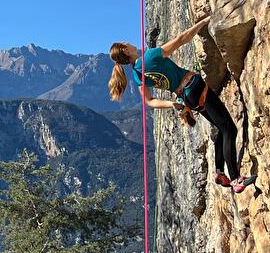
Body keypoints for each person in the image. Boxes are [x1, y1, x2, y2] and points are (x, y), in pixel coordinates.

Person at [108, 17, 253, 192]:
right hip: (195, 86)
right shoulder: (149, 56)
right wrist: (204, 22)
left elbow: (149, 101)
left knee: (221, 129)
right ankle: (236, 178)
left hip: (186, 97)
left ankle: (220, 173)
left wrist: (173, 104)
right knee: (229, 128)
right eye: (126, 43)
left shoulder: (138, 75)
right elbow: (181, 39)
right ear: (125, 50)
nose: (129, 43)